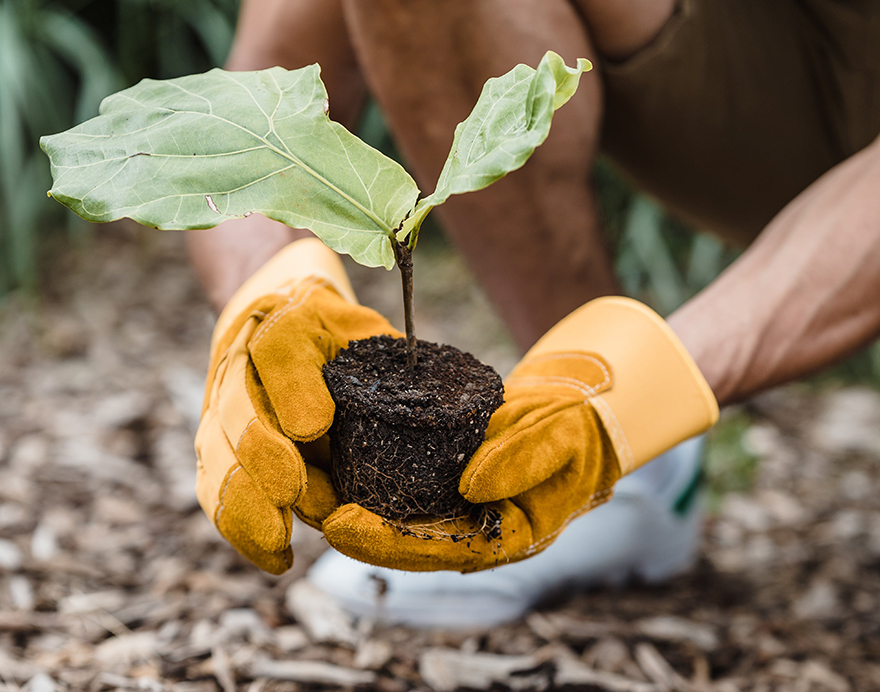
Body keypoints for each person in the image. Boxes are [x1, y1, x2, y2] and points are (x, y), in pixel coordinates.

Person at [188, 0, 880, 627]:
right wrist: (267, 292)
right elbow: (254, 102)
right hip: (754, 92)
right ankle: (617, 482)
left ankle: (613, 458)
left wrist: (637, 387)